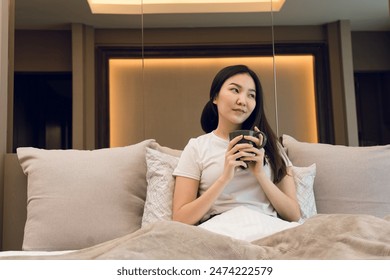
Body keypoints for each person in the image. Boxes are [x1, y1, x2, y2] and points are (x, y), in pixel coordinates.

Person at [172, 65, 301, 227]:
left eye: (251, 95)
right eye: (235, 90)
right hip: (218, 229)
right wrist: (225, 178)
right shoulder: (197, 147)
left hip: (267, 227)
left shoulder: (271, 146)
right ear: (215, 97)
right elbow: (180, 219)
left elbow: (294, 215)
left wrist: (260, 174)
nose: (242, 101)